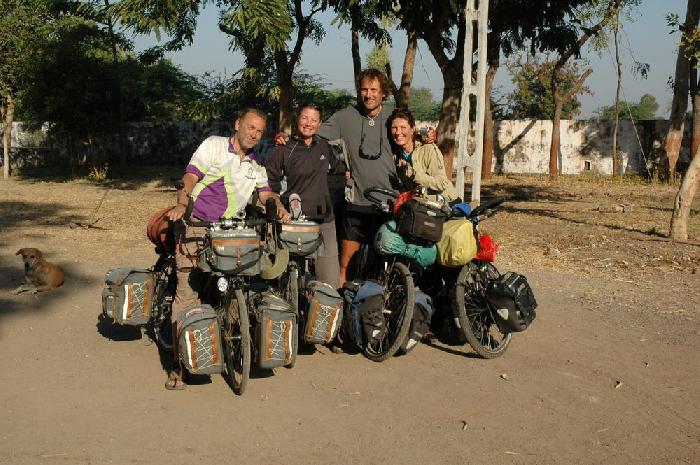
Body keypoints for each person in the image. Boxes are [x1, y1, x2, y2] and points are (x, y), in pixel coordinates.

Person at [164, 107, 288, 390]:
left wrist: (276, 205)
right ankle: (177, 366)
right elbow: (192, 176)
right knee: (187, 293)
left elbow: (265, 193)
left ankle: (225, 340)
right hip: (196, 224)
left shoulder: (255, 165)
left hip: (229, 233)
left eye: (259, 131)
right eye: (250, 127)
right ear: (237, 124)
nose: (254, 134)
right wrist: (183, 202)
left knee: (238, 284)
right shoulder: (214, 145)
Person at [315, 69, 399, 285]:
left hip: (390, 204)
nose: (368, 95)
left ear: (383, 94)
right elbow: (314, 134)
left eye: (374, 90)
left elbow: (411, 138)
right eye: (364, 89)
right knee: (346, 264)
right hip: (357, 202)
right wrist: (285, 138)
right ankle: (342, 311)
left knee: (385, 265)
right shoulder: (345, 117)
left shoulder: (393, 116)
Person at [265, 103, 347, 288]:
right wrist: (278, 206)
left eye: (314, 120)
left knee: (329, 283)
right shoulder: (284, 148)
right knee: (287, 282)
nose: (308, 123)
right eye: (305, 118)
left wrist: (348, 172)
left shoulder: (324, 146)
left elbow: (337, 167)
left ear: (319, 124)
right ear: (297, 119)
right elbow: (269, 181)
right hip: (291, 221)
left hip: (323, 219)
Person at [387, 108, 459, 203]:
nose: (398, 132)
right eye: (394, 128)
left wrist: (414, 175)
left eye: (403, 127)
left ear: (412, 130)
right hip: (421, 205)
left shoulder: (428, 149)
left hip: (446, 203)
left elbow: (442, 184)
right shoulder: (396, 155)